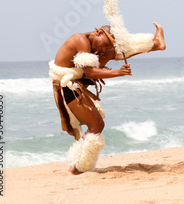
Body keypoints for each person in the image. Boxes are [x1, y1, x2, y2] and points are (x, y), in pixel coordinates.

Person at [49, 24, 165, 175]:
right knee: (96, 125)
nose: (102, 49)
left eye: (105, 46)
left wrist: (105, 59)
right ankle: (78, 167)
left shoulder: (97, 45)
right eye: (103, 44)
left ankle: (155, 44)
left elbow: (95, 62)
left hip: (77, 81)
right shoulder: (81, 40)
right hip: (67, 85)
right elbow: (89, 71)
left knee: (112, 52)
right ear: (98, 33)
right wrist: (118, 72)